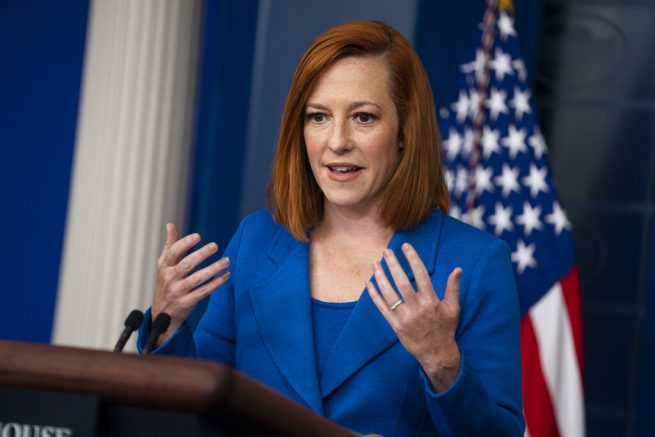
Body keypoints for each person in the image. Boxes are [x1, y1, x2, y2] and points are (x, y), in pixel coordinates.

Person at [139, 20, 525, 436]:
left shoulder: (475, 263)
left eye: (363, 117)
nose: (337, 141)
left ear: (404, 134)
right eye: (318, 117)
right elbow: (199, 412)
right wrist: (167, 324)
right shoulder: (256, 242)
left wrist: (442, 362)